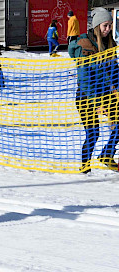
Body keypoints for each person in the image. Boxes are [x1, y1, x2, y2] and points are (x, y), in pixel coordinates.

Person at [69, 7, 119, 173]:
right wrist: (96, 103)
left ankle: (107, 154)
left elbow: (115, 72)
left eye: (110, 25)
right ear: (97, 26)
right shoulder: (86, 45)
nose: (108, 29)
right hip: (86, 96)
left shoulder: (110, 44)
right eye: (105, 25)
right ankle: (85, 167)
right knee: (93, 133)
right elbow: (84, 80)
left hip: (105, 94)